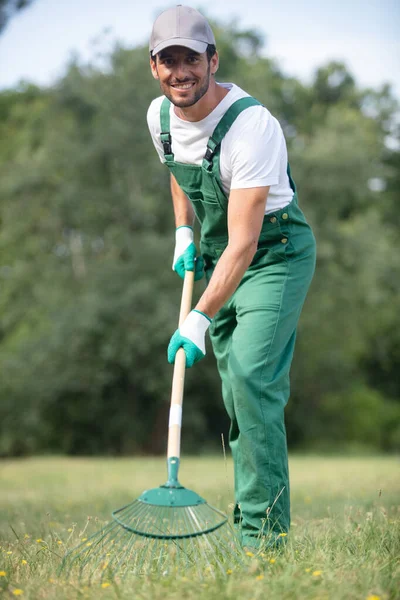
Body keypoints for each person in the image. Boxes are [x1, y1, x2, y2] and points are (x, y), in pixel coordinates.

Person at [147, 5, 316, 551]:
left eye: (191, 59)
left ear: (212, 60)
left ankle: (263, 543)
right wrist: (183, 234)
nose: (181, 72)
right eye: (168, 60)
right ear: (154, 68)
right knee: (236, 394)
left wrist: (198, 317)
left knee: (250, 378)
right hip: (222, 252)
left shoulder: (250, 125)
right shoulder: (159, 117)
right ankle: (255, 522)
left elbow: (245, 242)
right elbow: (180, 168)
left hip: (273, 253)